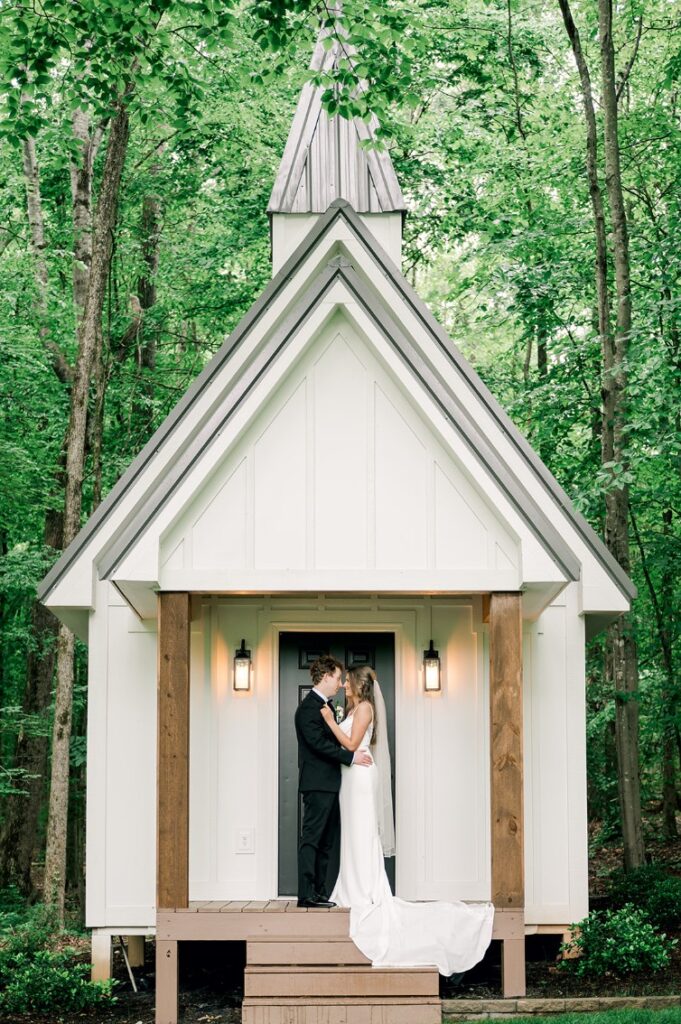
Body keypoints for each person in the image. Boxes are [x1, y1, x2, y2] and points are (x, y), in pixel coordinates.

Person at [320, 664, 494, 975]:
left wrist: (331, 722)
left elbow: (349, 745)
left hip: (359, 780)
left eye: (348, 682)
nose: (344, 685)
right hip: (350, 780)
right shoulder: (356, 708)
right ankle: (350, 886)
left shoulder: (365, 709)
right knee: (352, 836)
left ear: (358, 685)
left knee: (362, 835)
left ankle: (364, 891)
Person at [294, 654, 373, 908]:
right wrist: (350, 757)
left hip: (331, 785)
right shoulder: (308, 709)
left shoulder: (325, 706)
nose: (341, 684)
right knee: (312, 838)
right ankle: (306, 895)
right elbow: (318, 745)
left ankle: (319, 893)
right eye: (338, 678)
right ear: (326, 676)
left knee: (326, 841)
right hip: (317, 784)